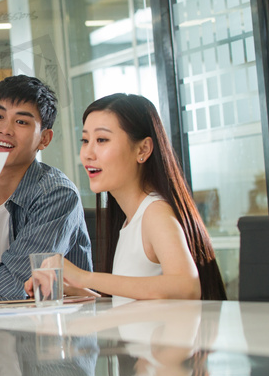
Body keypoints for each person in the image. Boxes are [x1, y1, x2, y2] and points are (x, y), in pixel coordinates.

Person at [26, 93, 226, 302]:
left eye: (102, 140)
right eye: (85, 140)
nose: (87, 153)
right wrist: (73, 289)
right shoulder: (130, 219)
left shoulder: (155, 212)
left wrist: (84, 277)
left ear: (143, 149)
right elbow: (131, 304)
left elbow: (187, 287)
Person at [0, 75, 92, 301]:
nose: (6, 129)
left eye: (21, 122)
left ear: (45, 138)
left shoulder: (56, 194)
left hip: (54, 327)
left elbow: (13, 284)